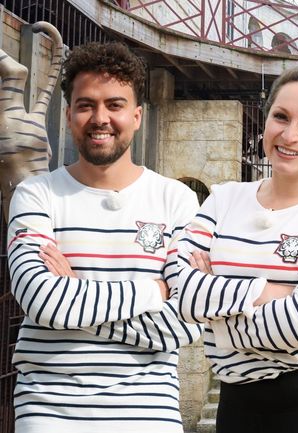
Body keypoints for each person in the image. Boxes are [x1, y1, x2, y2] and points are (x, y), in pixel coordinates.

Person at [6, 42, 203, 433]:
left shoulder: (176, 199)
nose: (100, 118)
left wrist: (76, 295)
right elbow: (42, 301)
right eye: (86, 105)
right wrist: (154, 292)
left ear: (137, 115)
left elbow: (187, 325)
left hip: (149, 414)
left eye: (114, 105)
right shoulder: (35, 194)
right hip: (50, 411)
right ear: (68, 116)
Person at [177, 68, 298, 433]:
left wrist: (216, 317)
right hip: (236, 409)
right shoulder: (224, 198)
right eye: (281, 117)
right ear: (266, 121)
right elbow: (181, 291)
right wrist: (271, 293)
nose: (289, 135)